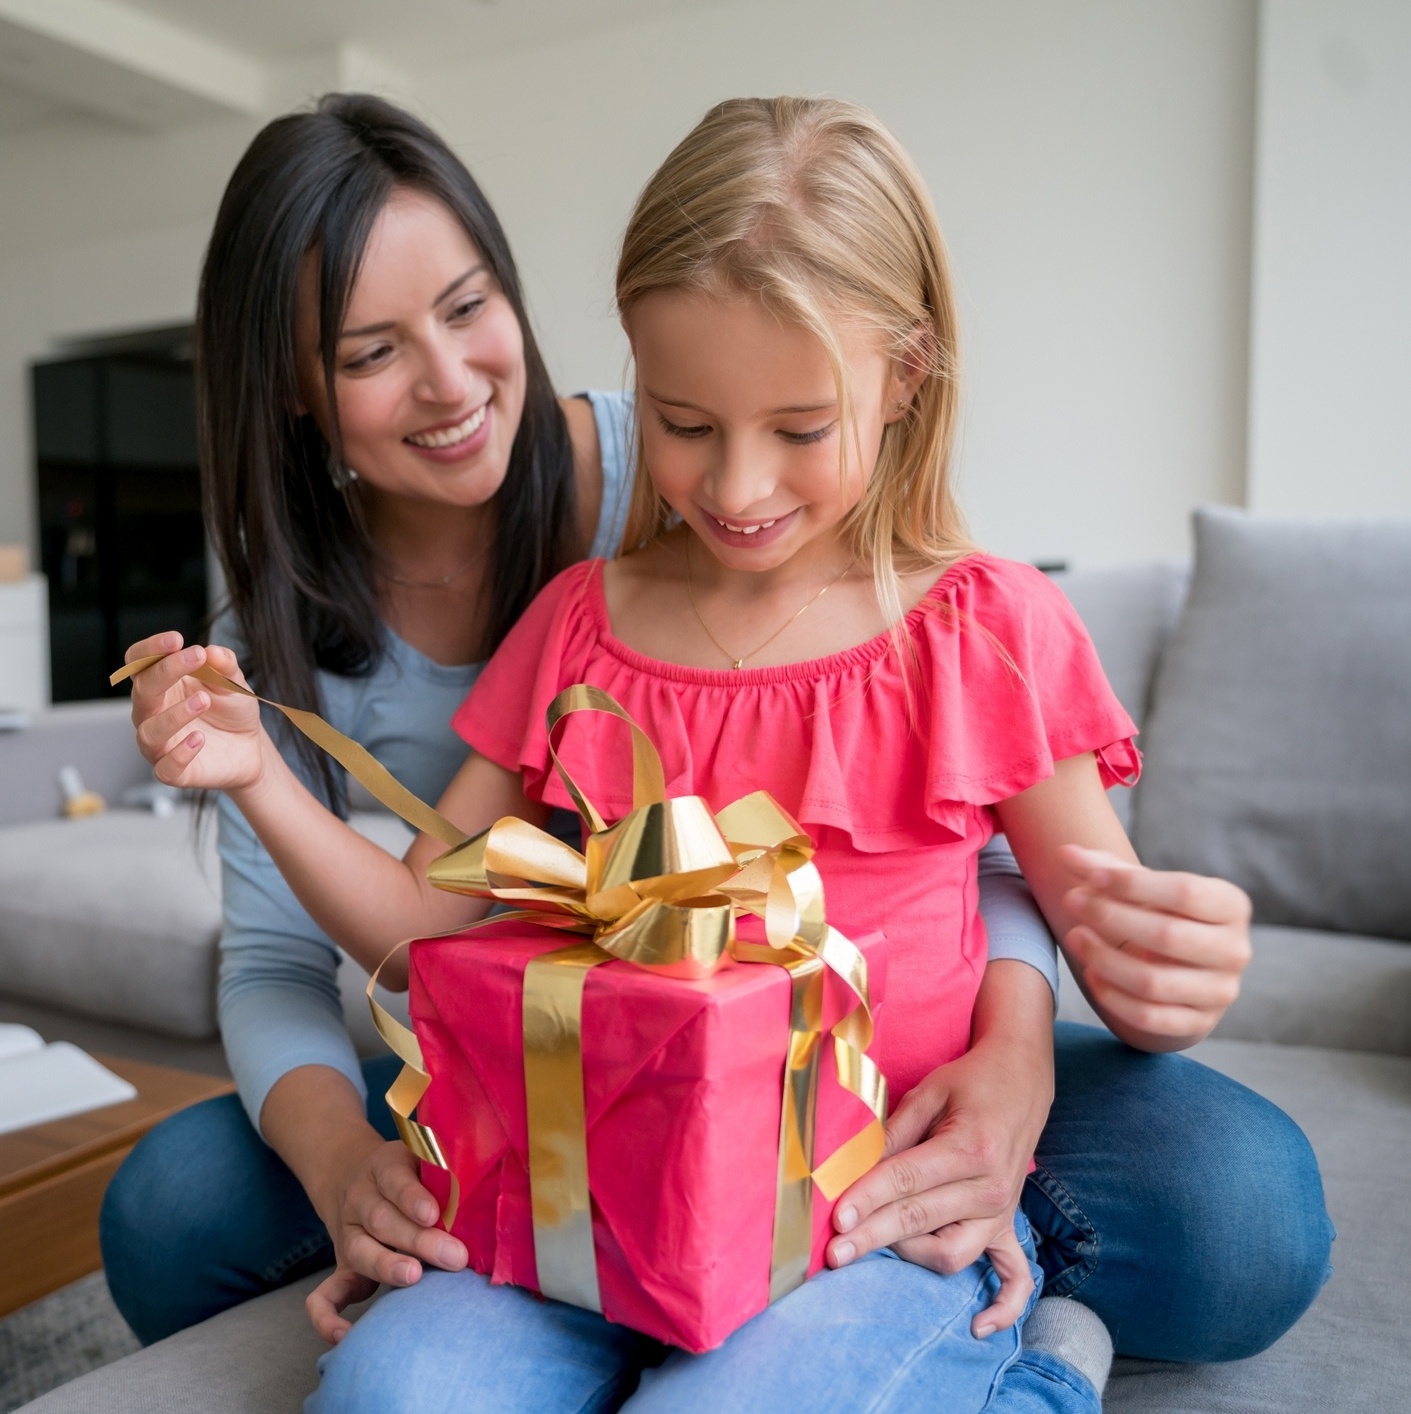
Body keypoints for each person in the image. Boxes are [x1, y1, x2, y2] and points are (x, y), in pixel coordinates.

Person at [118, 98, 1331, 1411]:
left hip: (863, 1197)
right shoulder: (580, 621)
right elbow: (416, 928)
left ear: (904, 377)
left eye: (798, 432)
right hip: (595, 1172)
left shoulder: (985, 621)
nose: (738, 488)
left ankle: (1027, 1368)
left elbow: (1089, 919)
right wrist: (254, 771)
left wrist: (1162, 976)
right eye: (686, 425)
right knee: (383, 1395)